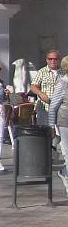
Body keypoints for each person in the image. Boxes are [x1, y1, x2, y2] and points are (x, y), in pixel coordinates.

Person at [45, 55, 68, 194]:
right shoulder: (62, 83)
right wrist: (51, 126)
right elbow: (53, 106)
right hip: (65, 121)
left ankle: (64, 171)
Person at [30, 49, 64, 124]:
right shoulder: (42, 72)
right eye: (50, 59)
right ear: (47, 60)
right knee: (45, 131)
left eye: (55, 59)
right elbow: (33, 86)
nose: (53, 61)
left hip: (60, 108)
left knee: (59, 133)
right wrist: (41, 94)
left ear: (59, 60)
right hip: (45, 107)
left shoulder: (63, 72)